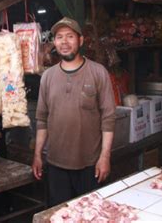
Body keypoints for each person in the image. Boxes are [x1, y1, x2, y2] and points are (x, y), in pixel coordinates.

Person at [32, 17, 116, 207]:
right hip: (56, 165)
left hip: (90, 165)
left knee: (92, 216)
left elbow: (109, 119)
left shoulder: (98, 72)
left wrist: (105, 157)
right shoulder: (47, 76)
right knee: (59, 215)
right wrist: (37, 154)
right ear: (54, 42)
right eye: (59, 37)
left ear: (81, 40)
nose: (64, 42)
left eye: (70, 36)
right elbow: (42, 119)